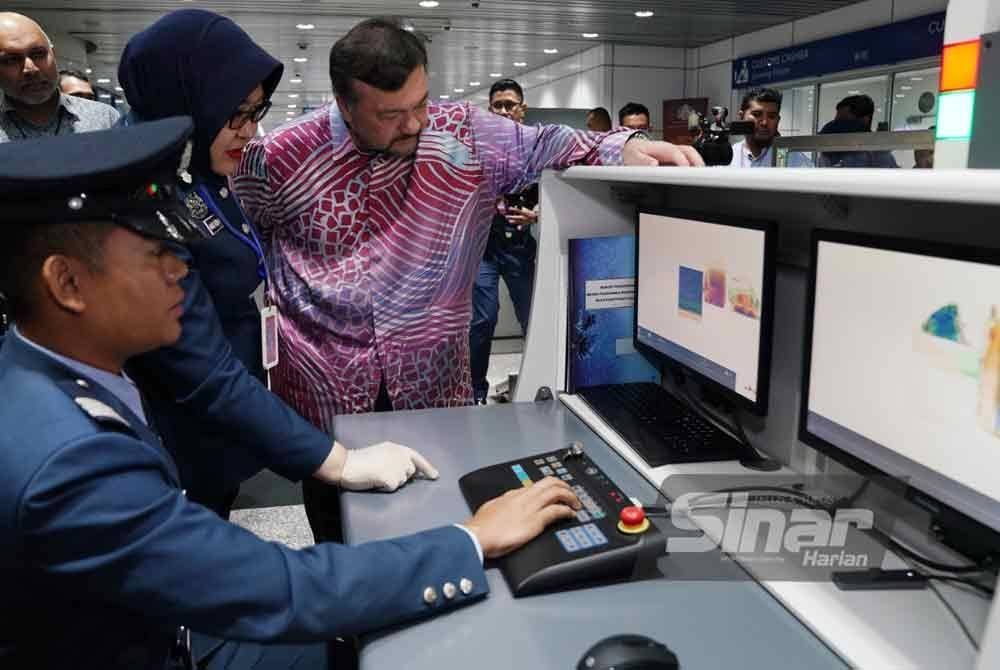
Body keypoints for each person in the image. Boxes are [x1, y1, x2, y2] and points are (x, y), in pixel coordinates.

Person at [0, 117, 582, 670]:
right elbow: (275, 587)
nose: (181, 273)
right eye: (158, 255)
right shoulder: (70, 462)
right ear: (67, 283)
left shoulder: (48, 371)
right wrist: (472, 540)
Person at [231, 17, 702, 542]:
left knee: (441, 523)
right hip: (326, 395)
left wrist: (624, 146)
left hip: (433, 392)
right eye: (390, 114)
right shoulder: (281, 157)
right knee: (337, 536)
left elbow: (555, 144)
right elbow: (244, 234)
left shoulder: (467, 135)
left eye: (421, 103)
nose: (413, 124)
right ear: (344, 104)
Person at [469, 79, 539, 404]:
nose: (503, 110)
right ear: (489, 109)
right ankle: (475, 392)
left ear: (521, 109)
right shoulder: (475, 147)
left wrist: (537, 213)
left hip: (519, 248)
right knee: (482, 320)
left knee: (532, 318)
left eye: (509, 104)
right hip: (483, 247)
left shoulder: (537, 145)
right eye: (497, 105)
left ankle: (536, 386)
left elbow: (553, 191)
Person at [0, 12, 119, 141]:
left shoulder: (104, 118)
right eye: (11, 60)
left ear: (54, 55)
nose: (31, 69)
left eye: (39, 54)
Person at [728, 87, 811, 168]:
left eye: (771, 116)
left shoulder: (796, 162)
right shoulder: (729, 157)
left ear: (778, 120)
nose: (764, 123)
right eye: (757, 115)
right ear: (741, 117)